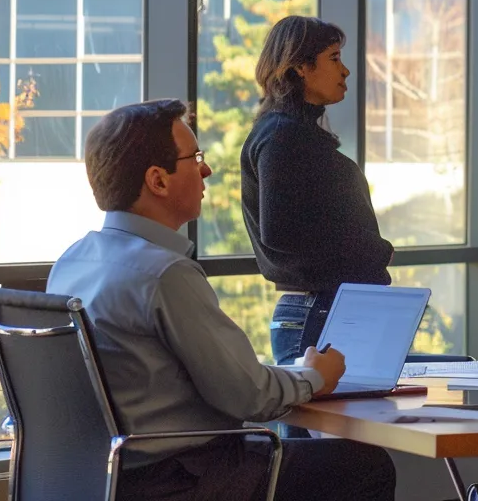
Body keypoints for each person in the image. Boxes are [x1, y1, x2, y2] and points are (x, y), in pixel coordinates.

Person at [46, 99, 398, 500]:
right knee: (364, 467)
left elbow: (205, 376)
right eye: (195, 157)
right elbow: (248, 396)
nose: (206, 169)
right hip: (184, 478)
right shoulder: (163, 274)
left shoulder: (72, 262)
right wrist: (317, 375)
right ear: (158, 181)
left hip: (109, 477)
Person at [242, 16, 395, 367]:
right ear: (300, 67)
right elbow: (281, 232)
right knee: (317, 423)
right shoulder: (282, 135)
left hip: (327, 308)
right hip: (318, 311)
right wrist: (375, 250)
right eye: (334, 58)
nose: (346, 71)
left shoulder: (294, 133)